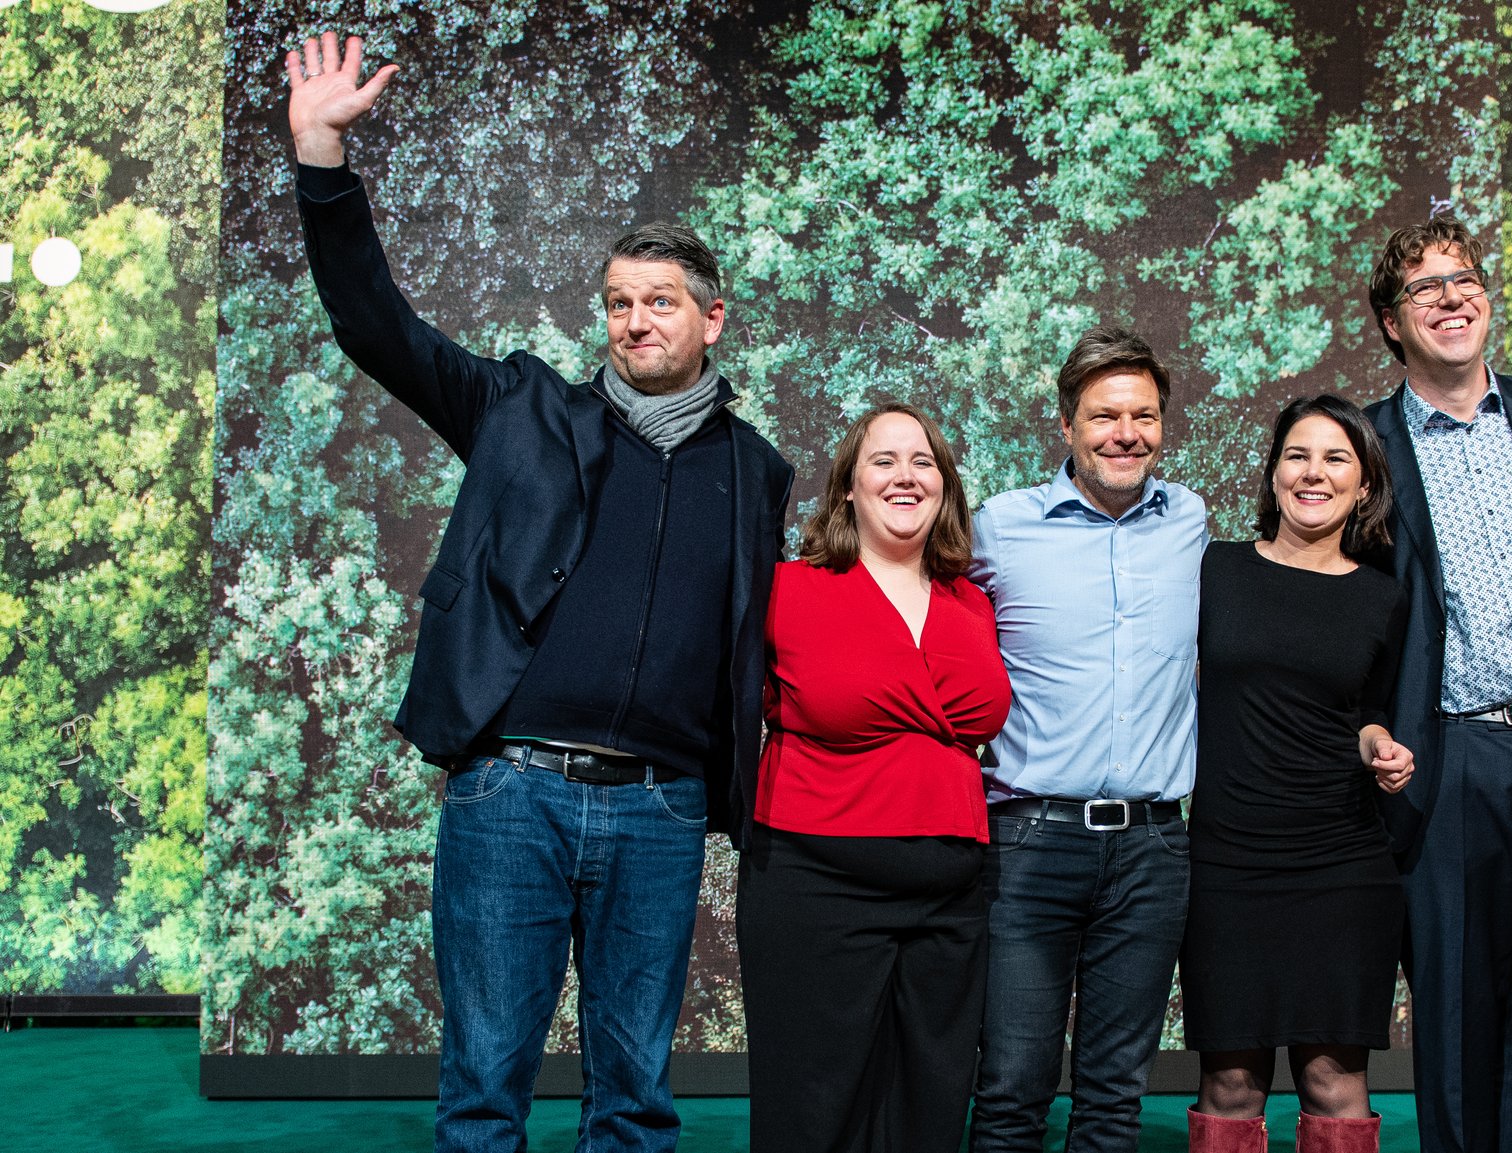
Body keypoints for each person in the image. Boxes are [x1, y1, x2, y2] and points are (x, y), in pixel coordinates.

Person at [284, 34, 792, 1152]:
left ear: (712, 321)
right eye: (617, 302)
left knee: (634, 1101)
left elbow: (753, 643)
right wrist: (322, 159)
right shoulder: (519, 410)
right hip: (509, 797)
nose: (634, 320)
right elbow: (377, 327)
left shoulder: (755, 471)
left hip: (659, 809)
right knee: (482, 1091)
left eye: (660, 301)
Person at [1361, 213, 1512, 1153]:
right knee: (1458, 1014)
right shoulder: (1368, 442)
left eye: (1464, 278)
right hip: (1450, 752)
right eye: (1425, 288)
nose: (1452, 298)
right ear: (1393, 321)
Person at [736, 403, 1011, 1153]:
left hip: (952, 895)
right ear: (848, 488)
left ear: (945, 487)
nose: (906, 476)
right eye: (883, 461)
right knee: (813, 1115)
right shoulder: (787, 589)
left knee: (926, 1112)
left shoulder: (973, 602)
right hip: (815, 882)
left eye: (923, 462)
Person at [968, 325, 1208, 1153]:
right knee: (1010, 1089)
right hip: (1030, 843)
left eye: (1144, 415)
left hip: (1153, 849)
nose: (1126, 433)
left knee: (1114, 1098)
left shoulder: (1191, 520)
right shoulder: (999, 527)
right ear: (1066, 422)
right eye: (1105, 415)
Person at [1180, 395, 1415, 1153]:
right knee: (1231, 1083)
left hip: (1342, 864)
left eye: (1336, 458)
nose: (1314, 473)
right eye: (1298, 455)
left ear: (1365, 485)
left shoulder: (1383, 596)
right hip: (1227, 861)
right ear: (1275, 471)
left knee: (1334, 1081)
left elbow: (1368, 710)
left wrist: (1381, 744)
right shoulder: (1213, 569)